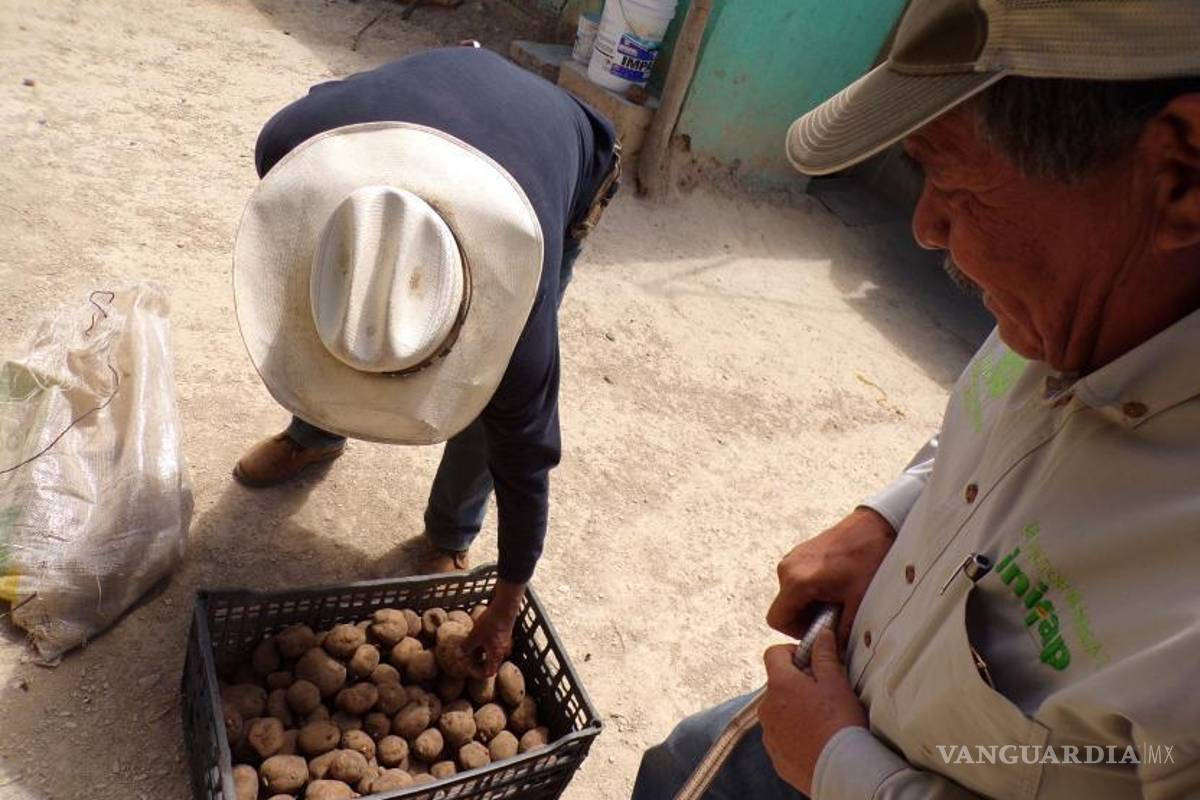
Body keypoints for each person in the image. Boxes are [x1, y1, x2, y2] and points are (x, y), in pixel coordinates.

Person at [634, 0, 1200, 797]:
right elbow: (995, 423)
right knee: (678, 765)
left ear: (1182, 176)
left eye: (959, 184)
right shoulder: (1075, 294)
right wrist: (890, 517)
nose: (928, 227)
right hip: (855, 707)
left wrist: (841, 769)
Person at [230, 45, 619, 675]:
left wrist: (507, 597)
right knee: (337, 308)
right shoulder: (289, 148)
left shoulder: (521, 310)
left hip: (556, 144)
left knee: (485, 397)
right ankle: (315, 434)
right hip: (433, 96)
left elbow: (527, 461)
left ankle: (450, 532)